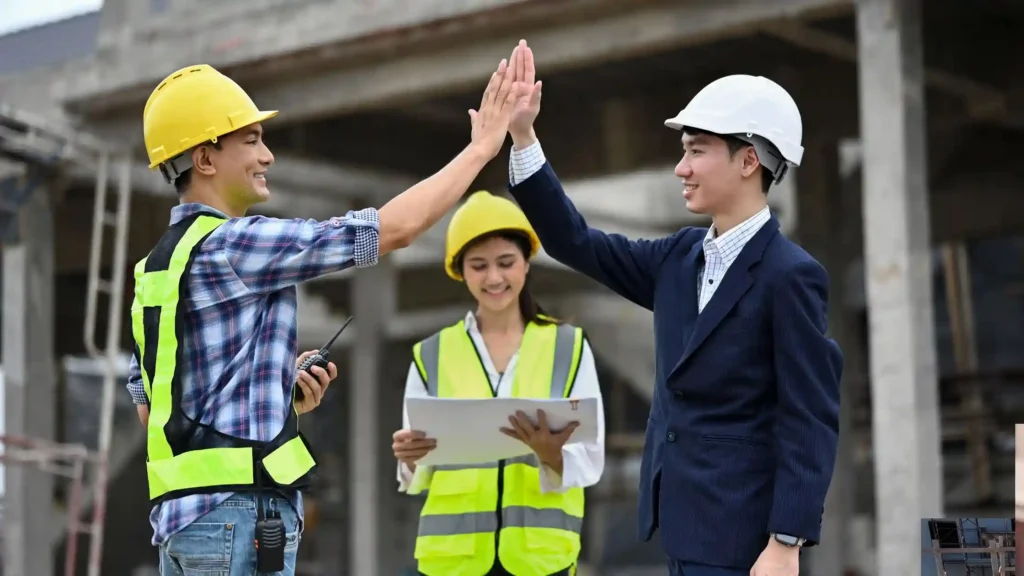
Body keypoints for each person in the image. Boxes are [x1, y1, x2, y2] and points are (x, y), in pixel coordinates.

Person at [126, 60, 517, 576]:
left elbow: (155, 410)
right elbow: (390, 230)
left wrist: (277, 396)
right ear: (204, 158)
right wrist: (482, 149)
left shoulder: (154, 270)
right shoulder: (239, 244)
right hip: (237, 520)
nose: (267, 155)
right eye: (252, 141)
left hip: (185, 524)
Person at [499, 40, 842, 576]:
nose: (681, 168)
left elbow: (810, 417)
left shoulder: (790, 276)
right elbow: (577, 243)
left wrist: (786, 542)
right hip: (679, 526)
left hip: (746, 542)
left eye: (697, 150)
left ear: (749, 160)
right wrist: (524, 137)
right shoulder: (677, 257)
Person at [390, 190, 606, 576]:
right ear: (461, 272)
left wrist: (551, 454)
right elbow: (415, 473)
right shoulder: (432, 354)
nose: (493, 278)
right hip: (453, 562)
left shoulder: (569, 348)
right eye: (478, 266)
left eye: (506, 263)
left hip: (540, 561)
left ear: (526, 264)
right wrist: (409, 459)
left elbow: (591, 457)